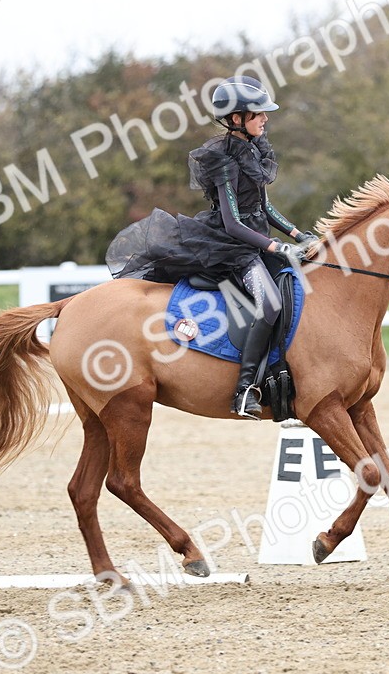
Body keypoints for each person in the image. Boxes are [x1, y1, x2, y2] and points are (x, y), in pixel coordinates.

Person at [105, 75, 317, 419]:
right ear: (237, 118)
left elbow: (263, 206)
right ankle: (245, 389)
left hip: (259, 242)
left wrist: (297, 235)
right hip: (233, 247)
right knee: (270, 303)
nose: (266, 118)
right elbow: (233, 223)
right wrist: (275, 247)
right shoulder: (221, 159)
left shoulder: (256, 149)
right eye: (259, 113)